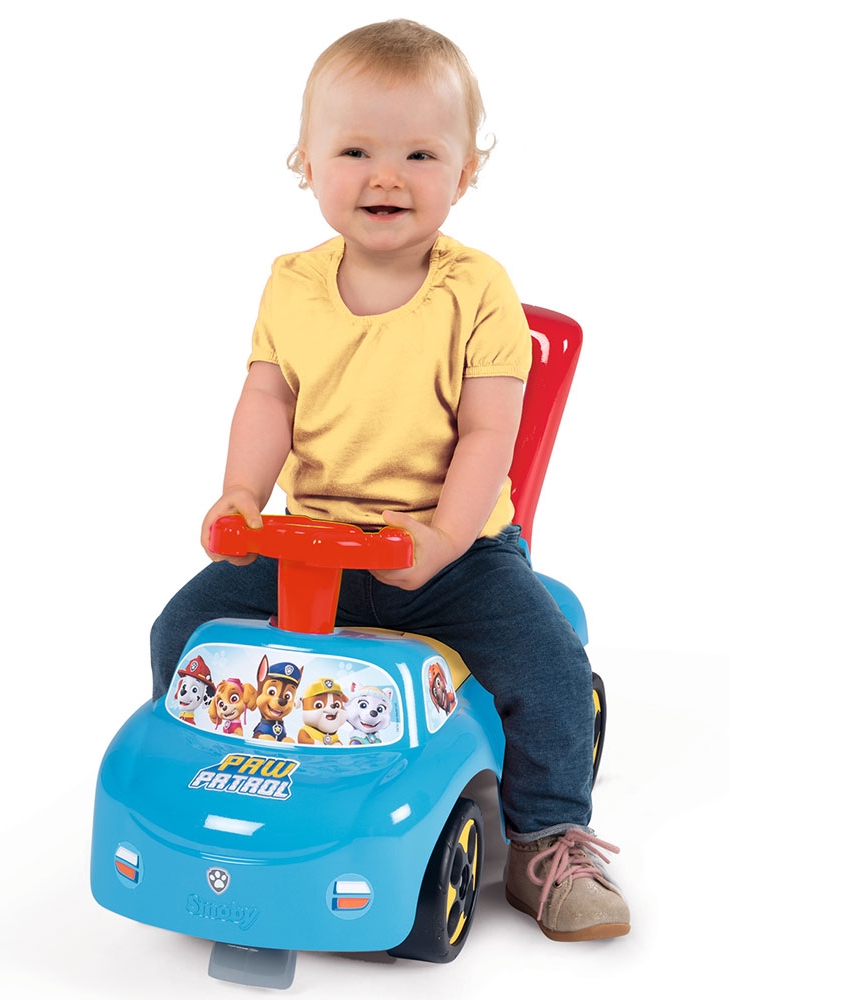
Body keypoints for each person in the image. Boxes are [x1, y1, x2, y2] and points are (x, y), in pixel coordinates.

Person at [151, 19, 630, 942]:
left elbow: (489, 431)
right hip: (310, 546)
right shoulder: (291, 284)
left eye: (420, 153)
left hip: (453, 553)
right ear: (305, 162)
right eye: (356, 150)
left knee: (550, 670)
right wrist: (242, 496)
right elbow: (268, 397)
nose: (387, 176)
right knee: (181, 633)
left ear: (465, 172)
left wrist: (444, 539)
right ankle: (212, 795)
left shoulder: (477, 290)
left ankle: (548, 840)